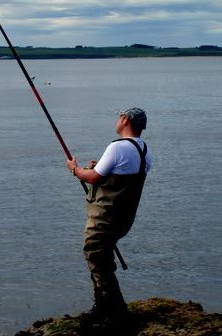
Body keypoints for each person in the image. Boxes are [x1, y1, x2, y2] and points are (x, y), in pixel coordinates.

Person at [66, 108, 152, 329]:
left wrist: (75, 169)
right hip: (123, 219)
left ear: (125, 120)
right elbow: (120, 176)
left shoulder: (117, 147)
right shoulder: (144, 151)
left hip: (105, 217)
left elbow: (94, 178)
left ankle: (114, 311)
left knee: (95, 254)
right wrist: (96, 167)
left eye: (119, 117)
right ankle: (103, 306)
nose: (117, 120)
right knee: (102, 257)